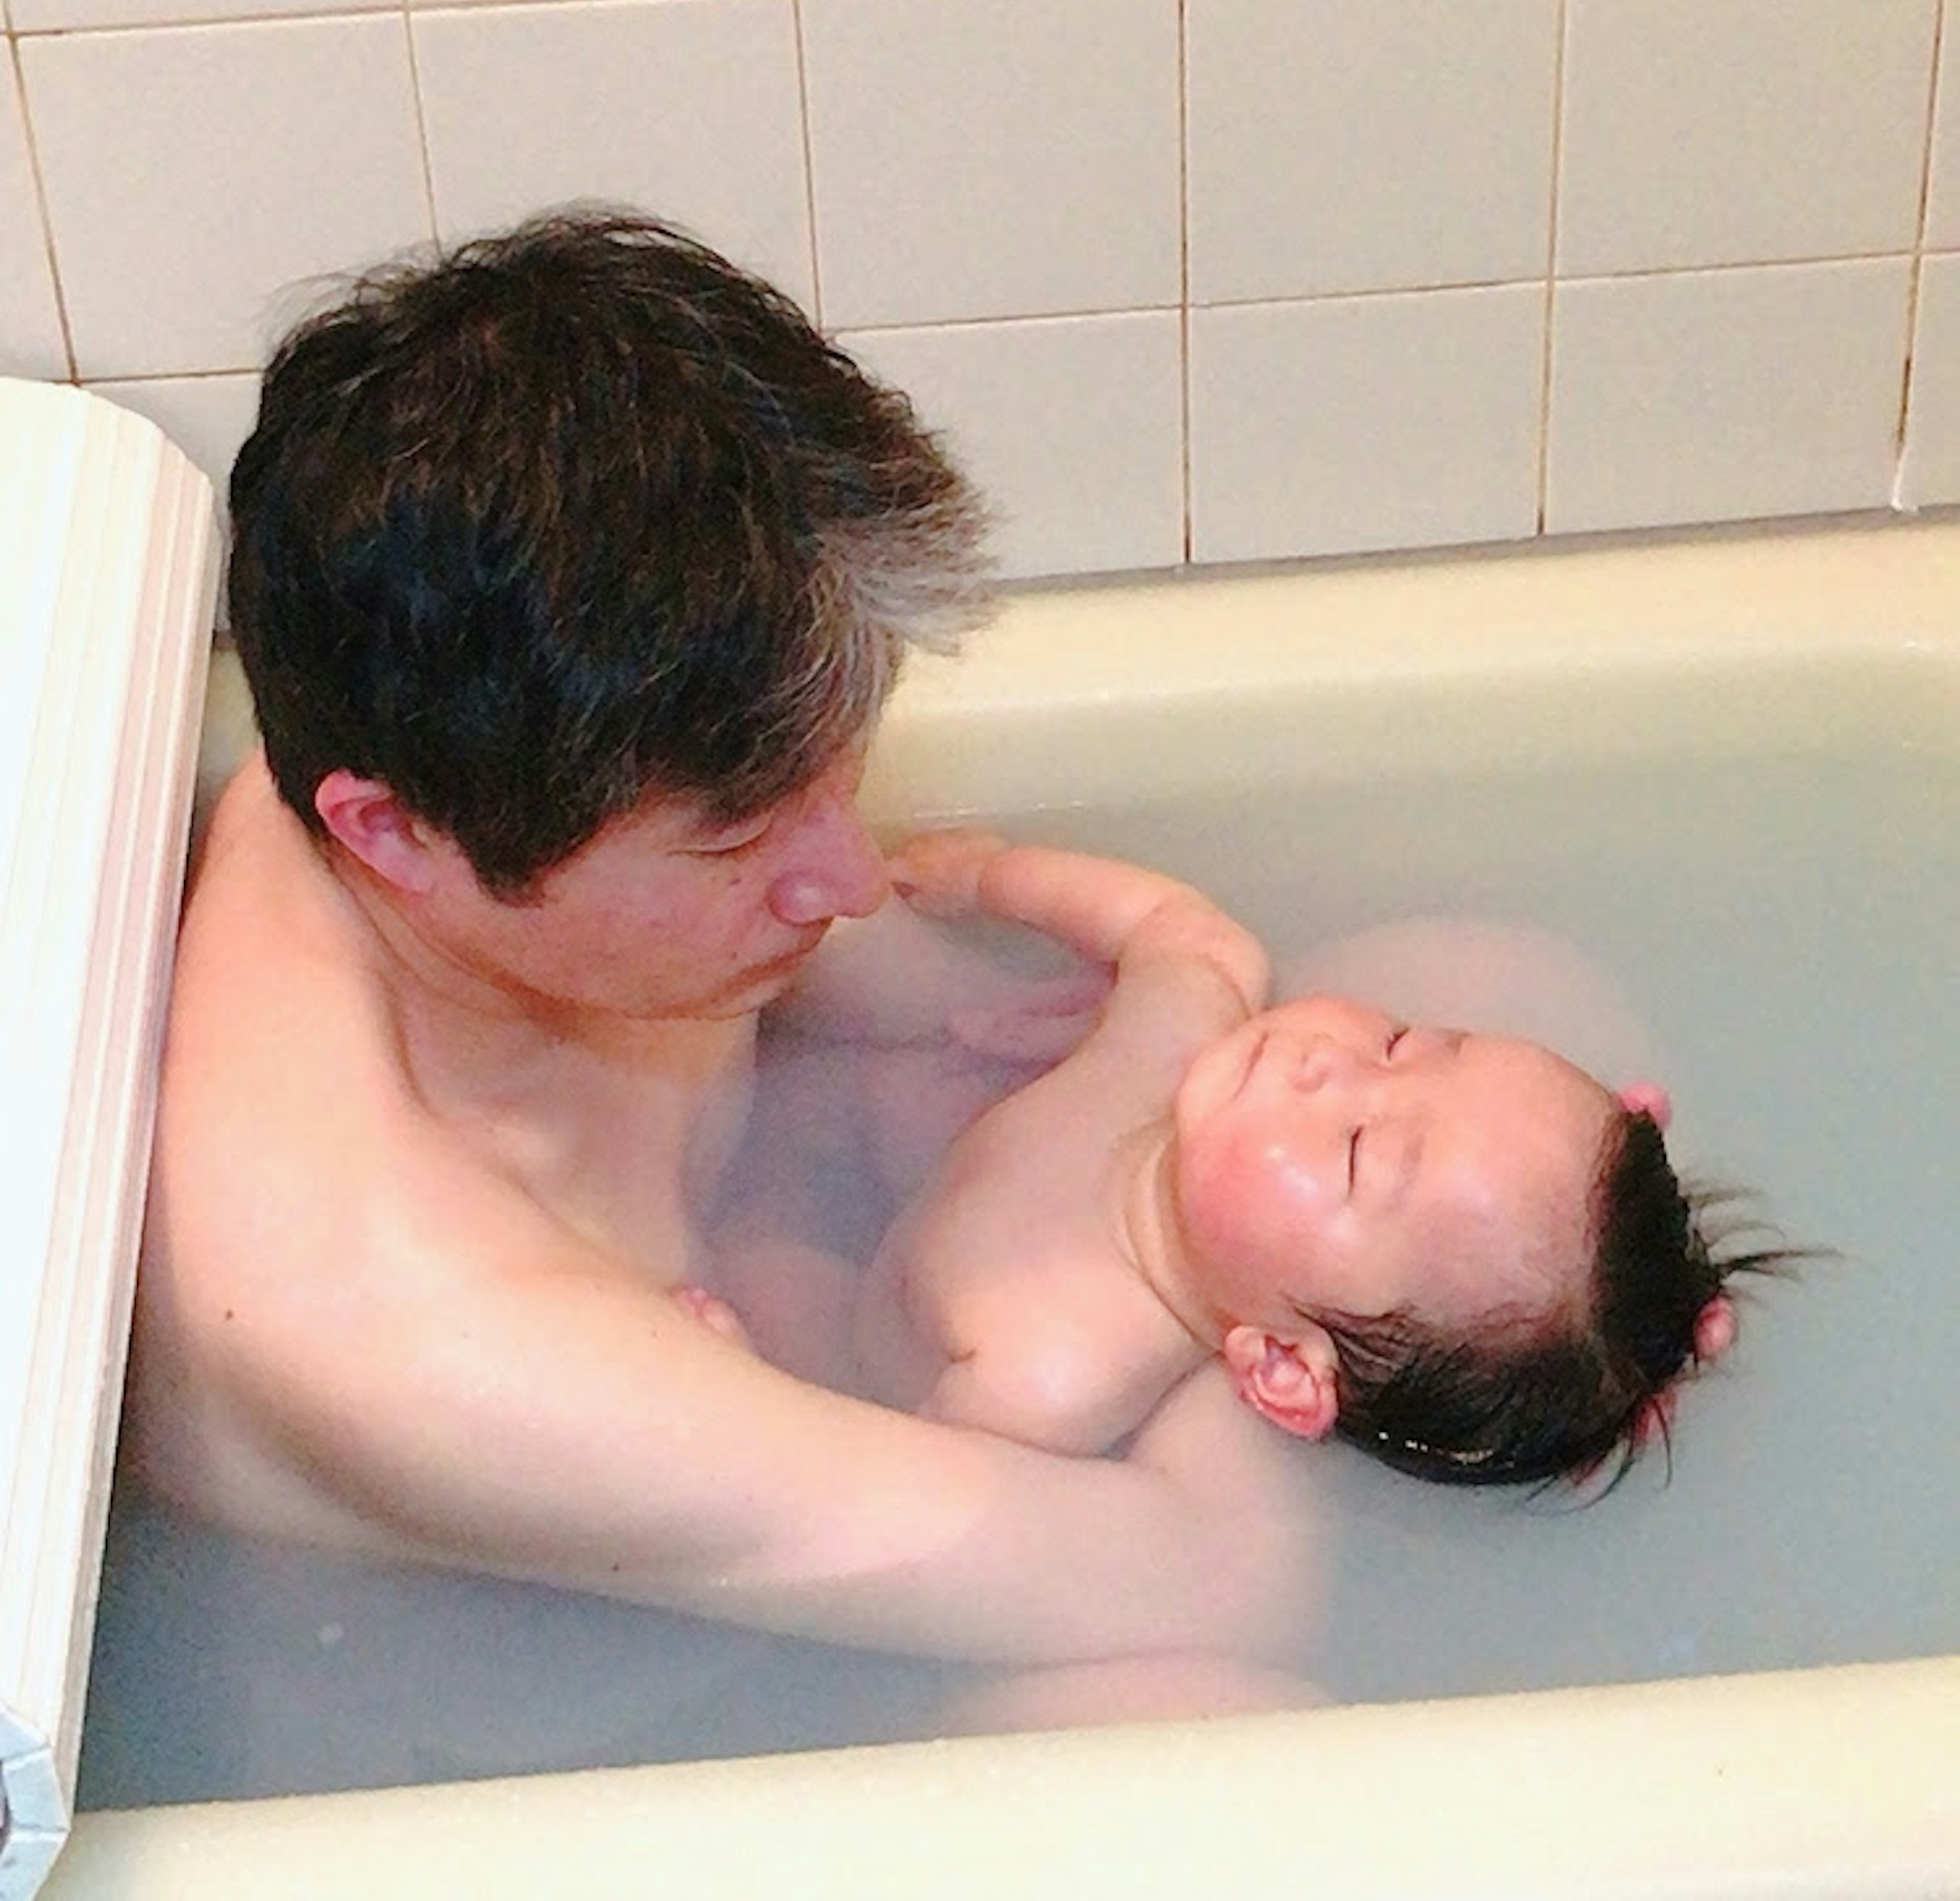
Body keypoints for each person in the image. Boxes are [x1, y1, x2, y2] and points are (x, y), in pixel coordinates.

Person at [128, 208, 1318, 1681]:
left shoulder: (472, 723)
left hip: (806, 1331)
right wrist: (1288, 1304)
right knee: (1181, 1717)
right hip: (582, 1746)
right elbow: (1192, 1581)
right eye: (747, 837)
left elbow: (930, 1011)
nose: (853, 882)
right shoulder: (422, 1326)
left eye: (844, 770)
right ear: (394, 838)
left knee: (1496, 988)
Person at [712, 830, 1781, 1485]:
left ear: (1278, 1365)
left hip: (854, 1301)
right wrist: (986, 876)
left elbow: (882, 1469)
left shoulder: (1052, 1374)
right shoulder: (1190, 1026)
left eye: (1360, 1151)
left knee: (761, 1275)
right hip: (932, 1145)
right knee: (855, 964)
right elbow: (1173, 925)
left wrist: (740, 1373)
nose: (1333, 1067)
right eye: (1404, 1039)